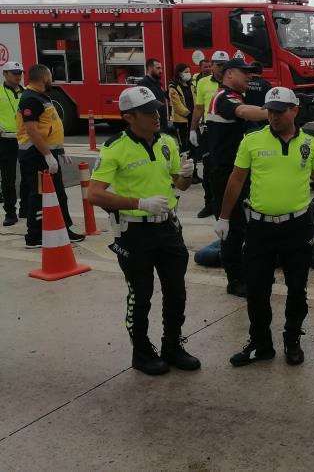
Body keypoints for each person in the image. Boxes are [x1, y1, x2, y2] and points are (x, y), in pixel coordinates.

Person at [218, 87, 314, 367]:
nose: (273, 116)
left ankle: (292, 339)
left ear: (294, 110)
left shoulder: (310, 143)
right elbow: (236, 180)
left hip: (297, 227)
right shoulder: (251, 141)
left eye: (280, 111)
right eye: (270, 111)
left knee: (297, 288)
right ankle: (260, 344)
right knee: (257, 289)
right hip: (260, 229)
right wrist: (224, 217)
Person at [87, 86, 200, 376]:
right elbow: (94, 194)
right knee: (141, 294)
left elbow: (179, 185)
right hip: (135, 232)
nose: (156, 116)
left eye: (157, 110)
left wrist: (186, 176)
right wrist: (139, 203)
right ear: (129, 117)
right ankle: (141, 352)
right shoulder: (115, 148)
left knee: (176, 291)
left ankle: (172, 345)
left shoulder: (167, 142)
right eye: (148, 112)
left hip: (168, 227)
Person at [204, 58, 269, 297]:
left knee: (242, 224)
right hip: (224, 173)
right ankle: (235, 281)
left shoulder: (235, 95)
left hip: (236, 170)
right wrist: (274, 111)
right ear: (229, 74)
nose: (249, 77)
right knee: (232, 227)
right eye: (245, 73)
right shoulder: (224, 97)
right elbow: (243, 112)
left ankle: (244, 271)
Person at [16, 64, 85, 248]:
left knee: (59, 195)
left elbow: (50, 126)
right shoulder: (31, 99)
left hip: (47, 153)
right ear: (43, 78)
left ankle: (64, 229)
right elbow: (31, 130)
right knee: (39, 196)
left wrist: (59, 150)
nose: (52, 80)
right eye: (50, 77)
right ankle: (34, 236)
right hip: (36, 155)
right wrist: (47, 155)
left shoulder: (41, 96)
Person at [190, 50, 229, 218]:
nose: (221, 68)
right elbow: (199, 107)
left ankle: (225, 204)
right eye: (218, 65)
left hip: (227, 130)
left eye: (224, 65)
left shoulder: (233, 81)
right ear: (211, 65)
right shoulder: (203, 82)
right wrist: (192, 129)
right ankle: (209, 204)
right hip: (209, 131)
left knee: (226, 169)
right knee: (208, 169)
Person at [0, 62, 24, 226]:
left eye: (20, 73)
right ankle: (10, 212)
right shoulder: (0, 91)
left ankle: (25, 208)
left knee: (28, 176)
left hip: (25, 139)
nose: (18, 76)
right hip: (5, 140)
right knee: (8, 178)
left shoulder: (26, 92)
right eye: (14, 73)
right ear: (5, 74)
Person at [137, 58, 171, 131]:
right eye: (158, 68)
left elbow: (163, 97)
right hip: (152, 124)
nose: (161, 71)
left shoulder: (157, 83)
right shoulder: (143, 84)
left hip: (162, 123)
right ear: (150, 68)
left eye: (161, 68)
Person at [167, 64, 193, 156]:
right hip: (181, 120)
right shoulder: (173, 87)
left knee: (192, 142)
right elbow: (177, 105)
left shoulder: (191, 85)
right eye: (186, 72)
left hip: (192, 118)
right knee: (183, 143)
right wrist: (188, 114)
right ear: (179, 73)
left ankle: (193, 160)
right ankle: (183, 159)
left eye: (189, 72)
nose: (188, 74)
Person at [243, 64, 272, 132]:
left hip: (247, 117)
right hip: (262, 118)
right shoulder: (266, 84)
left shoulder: (244, 83)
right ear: (261, 71)